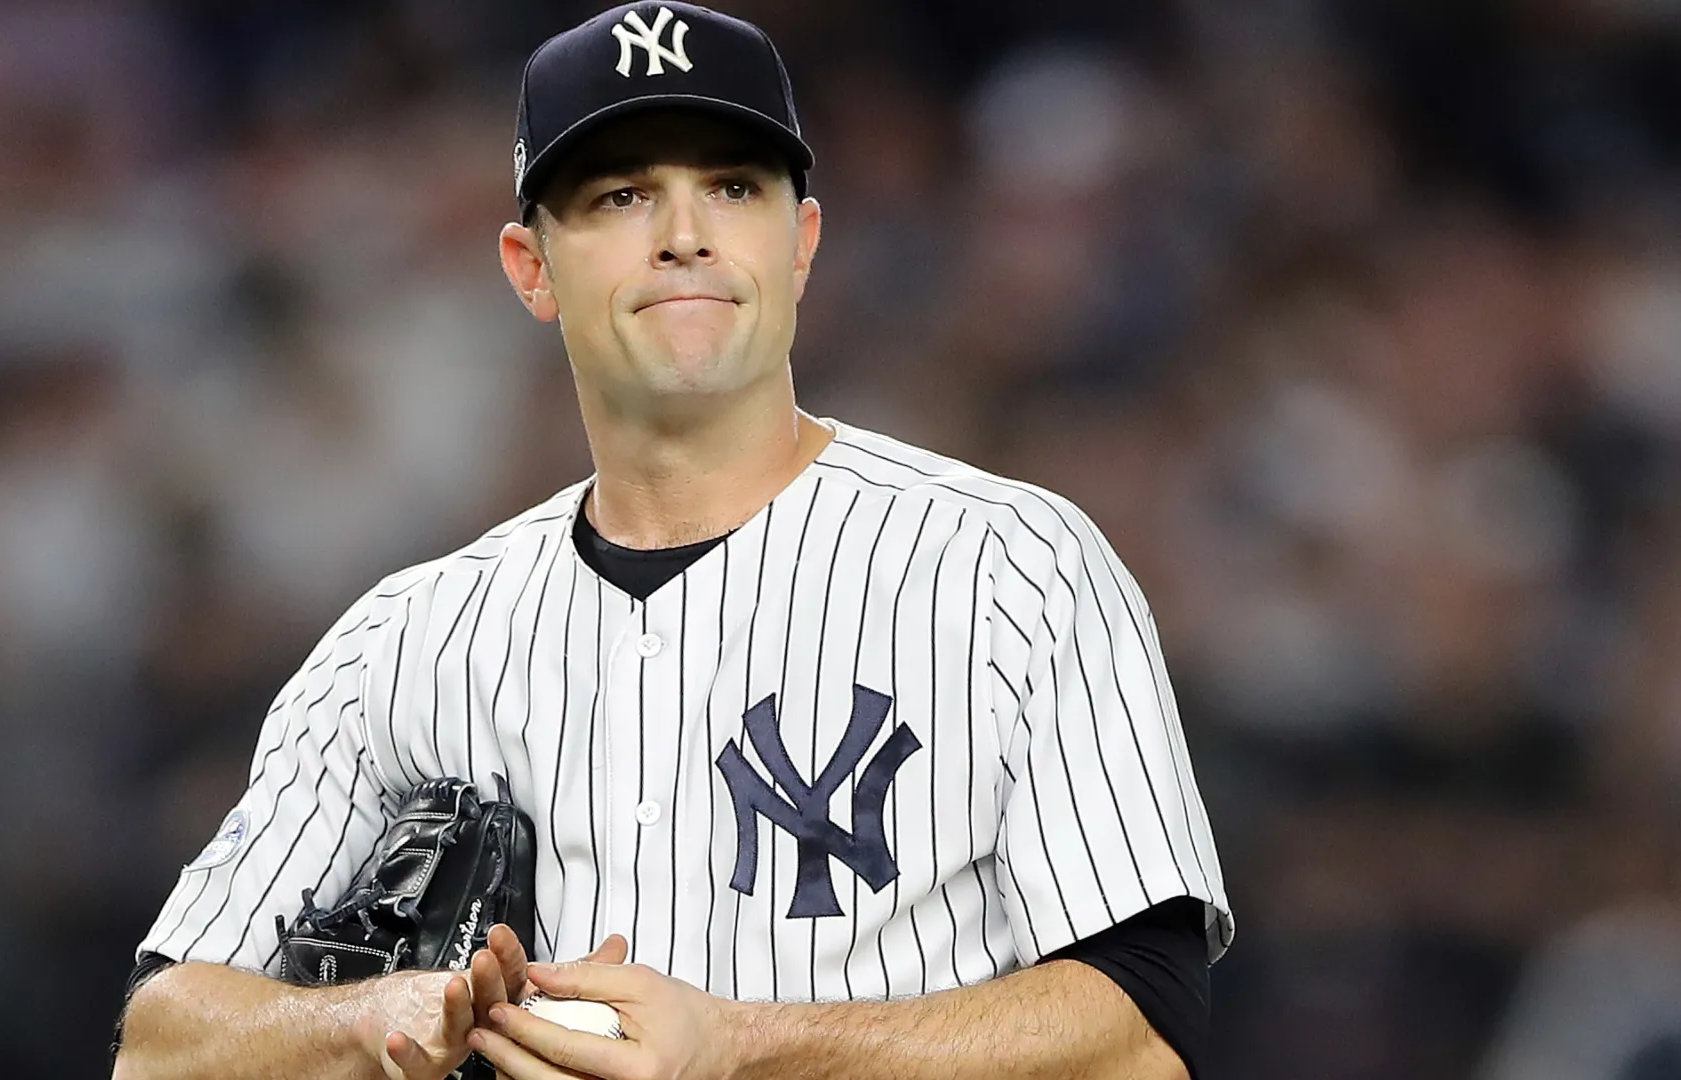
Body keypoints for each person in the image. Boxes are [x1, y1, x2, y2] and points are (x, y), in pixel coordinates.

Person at [112, 3, 1234, 1078]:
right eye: (620, 197)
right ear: (530, 268)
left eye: (733, 187)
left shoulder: (1011, 569)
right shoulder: (400, 645)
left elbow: (1146, 1034)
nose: (685, 236)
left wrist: (744, 1048)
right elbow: (162, 1041)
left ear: (800, 244)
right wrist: (378, 1017)